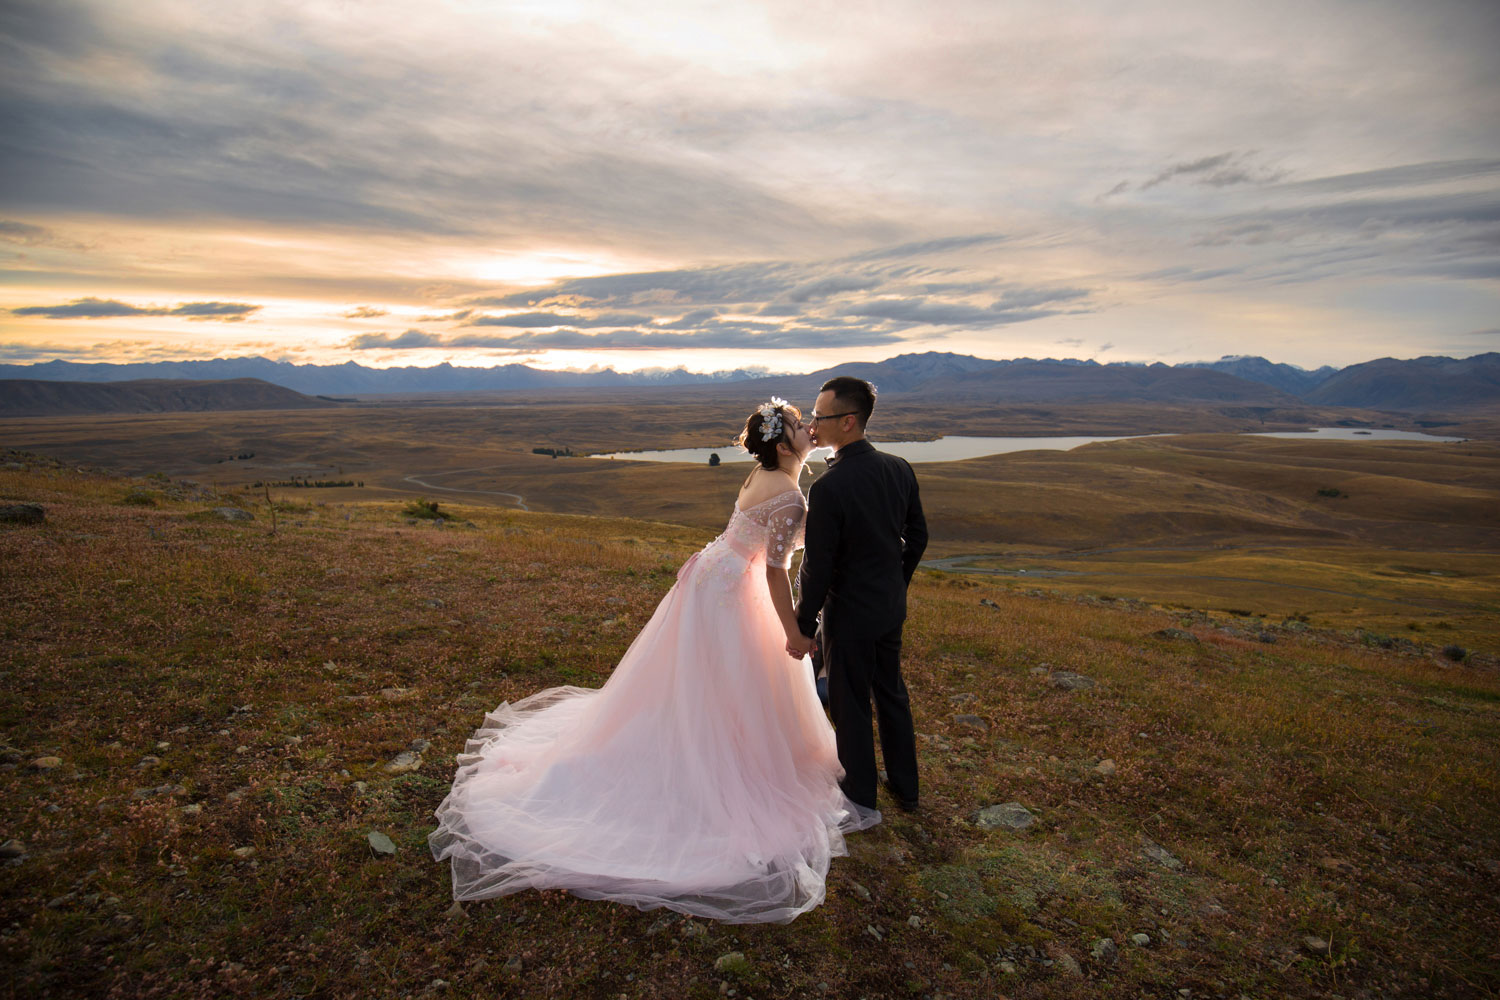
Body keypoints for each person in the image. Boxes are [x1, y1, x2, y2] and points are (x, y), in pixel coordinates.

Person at [429, 398, 879, 925]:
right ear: (783, 445)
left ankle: (706, 735)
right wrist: (794, 632)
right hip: (735, 589)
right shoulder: (784, 493)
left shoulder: (766, 476)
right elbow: (777, 571)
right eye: (802, 427)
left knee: (706, 680)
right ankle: (712, 757)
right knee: (731, 680)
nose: (809, 430)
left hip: (718, 574)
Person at [789, 376, 927, 813]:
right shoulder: (899, 467)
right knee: (891, 693)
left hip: (848, 614)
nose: (812, 424)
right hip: (889, 607)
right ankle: (907, 790)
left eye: (819, 416)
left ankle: (860, 796)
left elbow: (818, 567)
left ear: (848, 422)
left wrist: (803, 622)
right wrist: (894, 584)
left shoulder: (829, 488)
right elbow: (918, 538)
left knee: (850, 705)